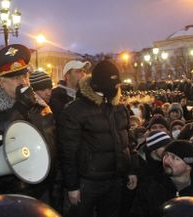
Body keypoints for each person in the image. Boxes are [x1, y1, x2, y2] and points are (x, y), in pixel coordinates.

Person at [0, 44, 55, 200]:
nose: (23, 82)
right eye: (16, 78)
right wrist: (20, 107)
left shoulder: (40, 106)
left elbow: (52, 143)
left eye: (25, 76)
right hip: (9, 189)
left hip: (42, 185)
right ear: (2, 82)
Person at [58, 60, 137, 217]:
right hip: (87, 182)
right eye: (113, 84)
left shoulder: (119, 108)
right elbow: (68, 152)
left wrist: (131, 170)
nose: (116, 88)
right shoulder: (75, 110)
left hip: (115, 180)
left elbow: (128, 143)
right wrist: (72, 186)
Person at [130, 140, 193, 217]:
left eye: (174, 158)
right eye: (166, 155)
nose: (166, 160)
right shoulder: (150, 185)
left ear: (188, 165)